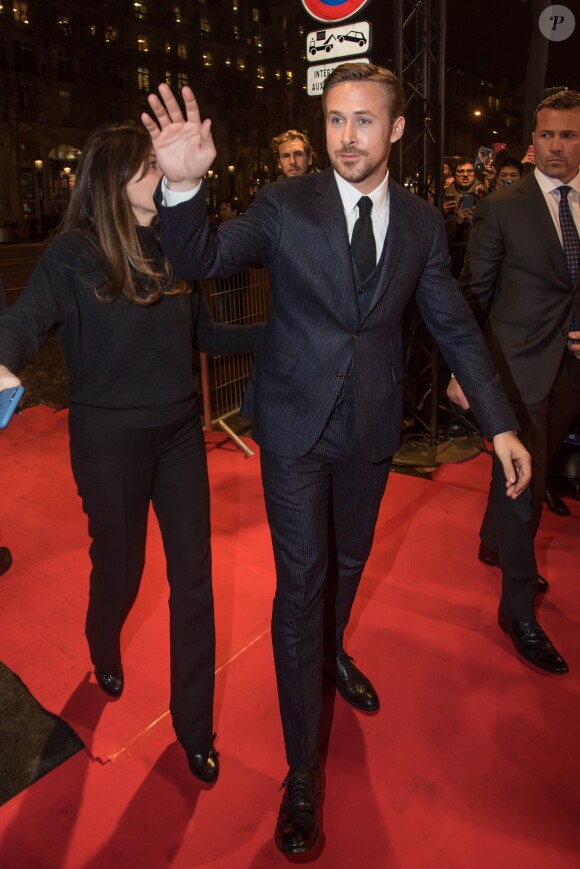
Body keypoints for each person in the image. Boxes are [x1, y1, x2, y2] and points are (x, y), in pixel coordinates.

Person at [142, 63, 530, 854]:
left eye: (363, 121)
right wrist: (181, 192)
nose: (346, 136)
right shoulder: (286, 205)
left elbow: (454, 324)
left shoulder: (422, 223)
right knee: (301, 583)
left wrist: (498, 423)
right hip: (292, 427)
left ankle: (330, 650)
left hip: (371, 428)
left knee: (348, 564)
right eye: (334, 120)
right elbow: (202, 261)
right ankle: (302, 774)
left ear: (395, 130)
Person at [0, 122, 263, 783]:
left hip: (179, 436)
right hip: (108, 442)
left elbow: (207, 331)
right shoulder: (72, 254)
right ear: (114, 181)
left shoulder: (177, 246)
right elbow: (24, 321)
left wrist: (286, 329)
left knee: (194, 583)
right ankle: (101, 642)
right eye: (151, 163)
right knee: (121, 569)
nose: (164, 169)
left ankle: (194, 726)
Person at [447, 89, 580, 676]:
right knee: (522, 490)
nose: (556, 146)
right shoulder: (504, 205)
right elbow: (473, 293)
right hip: (517, 366)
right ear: (533, 140)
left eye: (569, 135)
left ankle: (494, 543)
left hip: (572, 371)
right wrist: (460, 367)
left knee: (538, 465)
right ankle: (518, 611)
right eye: (547, 135)